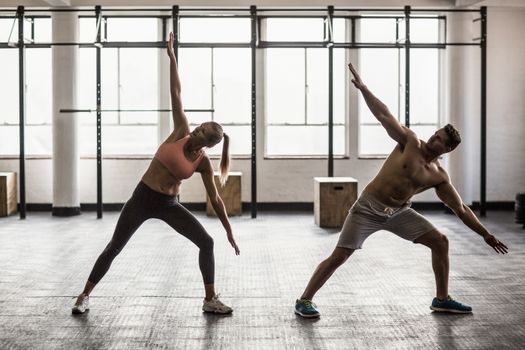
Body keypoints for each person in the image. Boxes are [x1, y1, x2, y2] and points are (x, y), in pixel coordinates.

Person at [294, 63, 508, 318]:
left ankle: (442, 299)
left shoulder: (439, 176)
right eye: (435, 134)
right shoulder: (410, 142)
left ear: (447, 149)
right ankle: (304, 300)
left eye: (440, 139)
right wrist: (364, 89)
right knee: (340, 255)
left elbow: (460, 209)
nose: (433, 139)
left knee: (440, 241)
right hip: (367, 209)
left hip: (398, 212)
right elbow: (385, 115)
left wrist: (486, 235)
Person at [72, 32, 240, 315]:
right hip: (142, 197)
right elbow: (177, 92)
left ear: (210, 144)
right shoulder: (180, 131)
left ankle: (210, 299)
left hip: (169, 205)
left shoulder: (202, 163)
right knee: (115, 246)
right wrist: (172, 58)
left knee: (206, 243)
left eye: (202, 133)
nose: (196, 131)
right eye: (199, 127)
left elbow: (216, 199)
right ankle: (83, 295)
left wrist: (229, 230)